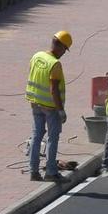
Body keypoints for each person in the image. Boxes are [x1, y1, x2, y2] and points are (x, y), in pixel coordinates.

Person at [25, 31, 72, 181]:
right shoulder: (55, 64)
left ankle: (33, 171)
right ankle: (51, 172)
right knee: (53, 138)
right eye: (65, 49)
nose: (64, 53)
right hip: (50, 107)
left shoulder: (37, 56)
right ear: (60, 46)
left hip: (35, 103)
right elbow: (54, 90)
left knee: (36, 136)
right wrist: (61, 111)